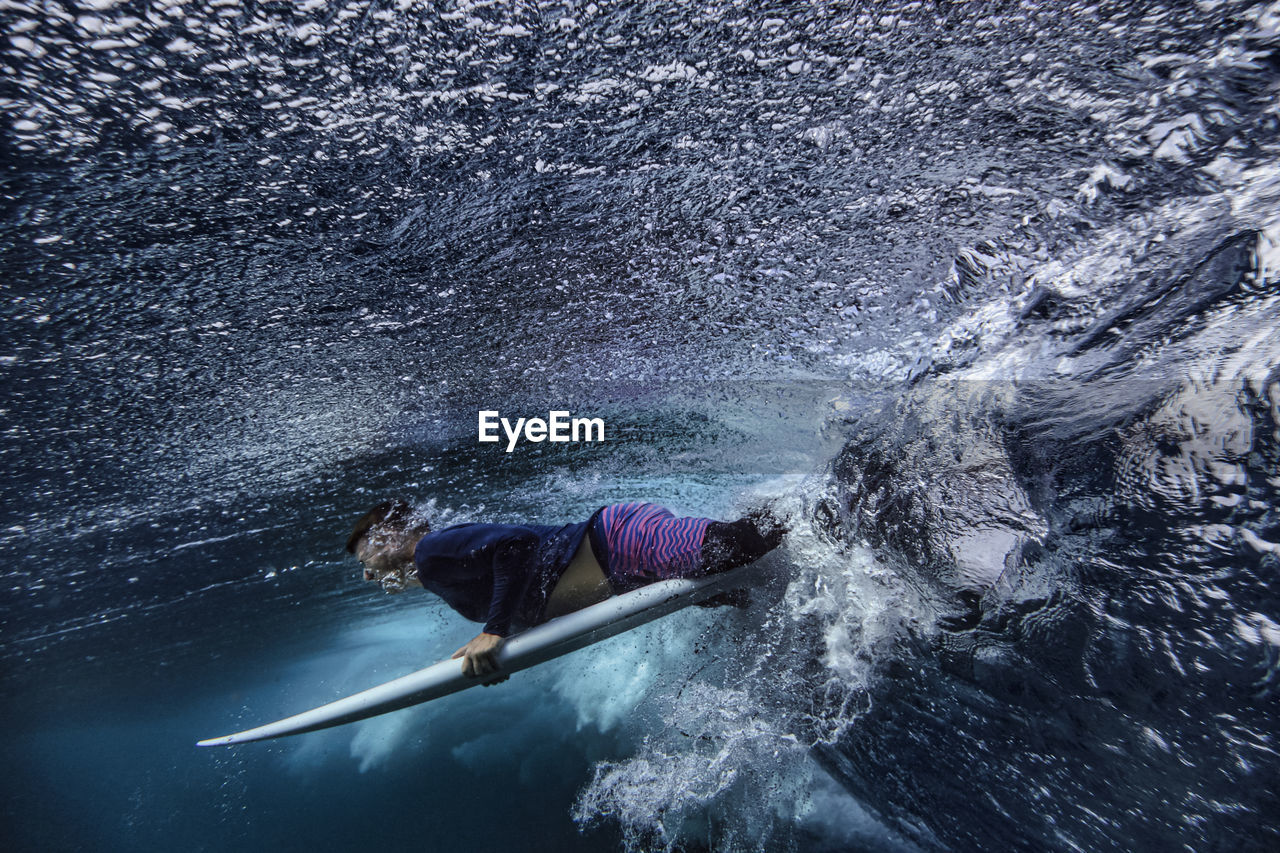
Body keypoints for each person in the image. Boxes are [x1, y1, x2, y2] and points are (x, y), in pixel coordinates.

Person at [346, 501, 787, 680]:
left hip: (618, 542)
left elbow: (515, 544)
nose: (367, 575)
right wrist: (503, 653)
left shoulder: (429, 552)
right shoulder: (441, 578)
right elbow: (528, 596)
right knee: (741, 584)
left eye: (366, 560)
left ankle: (815, 500)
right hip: (625, 574)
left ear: (392, 537)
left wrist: (495, 630)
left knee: (739, 548)